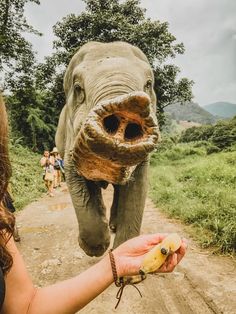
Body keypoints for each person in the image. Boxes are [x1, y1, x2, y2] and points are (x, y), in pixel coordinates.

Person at [0, 94, 187, 313]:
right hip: (83, 152)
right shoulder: (68, 123)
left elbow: (25, 307)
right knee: (94, 232)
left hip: (130, 153)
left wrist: (117, 262)